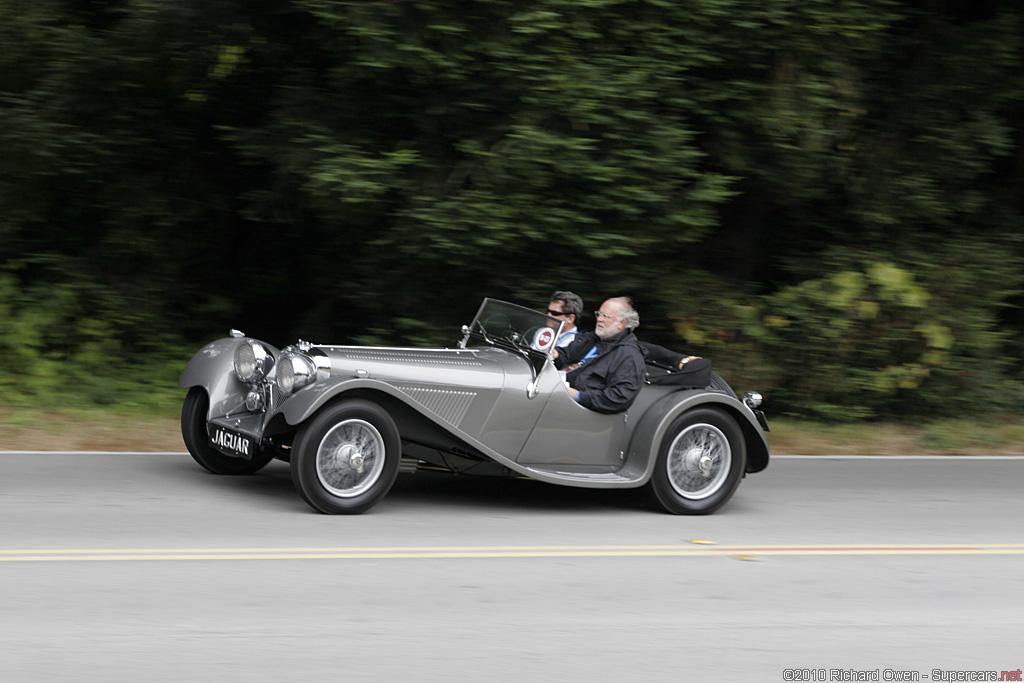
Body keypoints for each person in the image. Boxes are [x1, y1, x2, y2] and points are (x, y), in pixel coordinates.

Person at [553, 297, 646, 414]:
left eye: (606, 316)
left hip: (582, 414)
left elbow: (620, 398)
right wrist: (555, 354)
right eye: (599, 314)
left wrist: (578, 396)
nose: (599, 319)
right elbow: (565, 355)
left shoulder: (629, 356)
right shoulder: (592, 338)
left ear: (621, 323)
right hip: (556, 392)